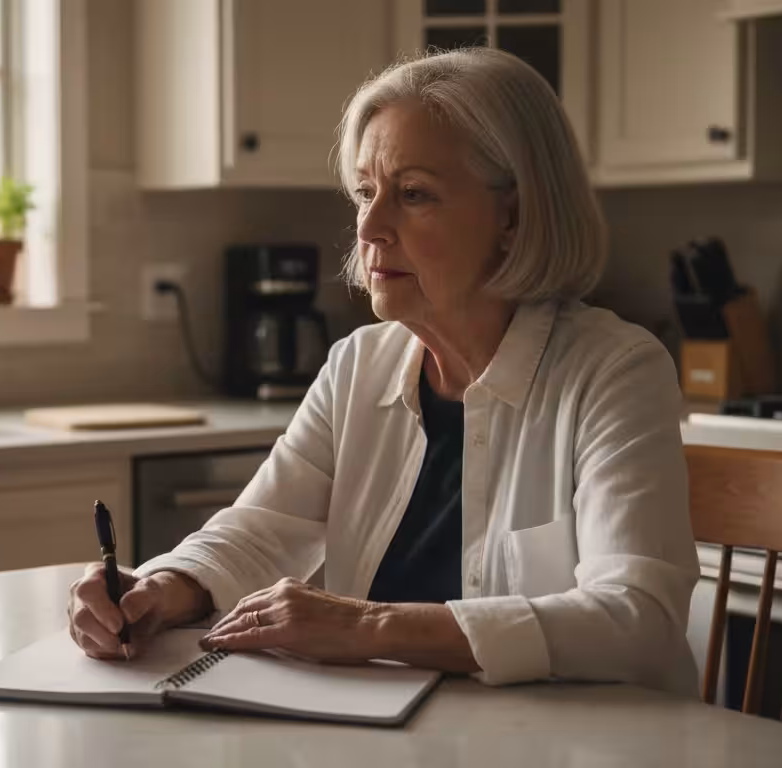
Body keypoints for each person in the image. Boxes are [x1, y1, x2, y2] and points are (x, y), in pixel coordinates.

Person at [68, 48, 700, 695]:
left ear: (512, 216)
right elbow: (258, 533)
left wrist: (368, 627)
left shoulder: (615, 371)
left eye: (414, 194)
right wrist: (160, 589)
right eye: (367, 192)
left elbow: (639, 619)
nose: (369, 226)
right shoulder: (358, 366)